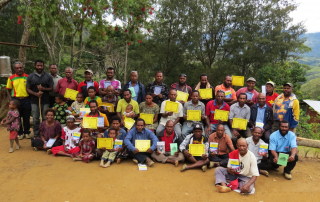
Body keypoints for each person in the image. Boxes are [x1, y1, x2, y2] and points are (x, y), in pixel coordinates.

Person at [26, 59, 54, 138]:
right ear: (35, 66)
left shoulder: (48, 76)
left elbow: (51, 88)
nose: (39, 67)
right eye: (38, 65)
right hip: (34, 101)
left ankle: (45, 134)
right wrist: (35, 94)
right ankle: (36, 135)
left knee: (45, 118)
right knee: (35, 119)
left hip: (45, 101)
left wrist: (43, 89)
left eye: (41, 65)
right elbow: (28, 89)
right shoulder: (31, 76)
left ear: (43, 66)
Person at [6, 61, 32, 140]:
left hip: (26, 99)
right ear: (14, 69)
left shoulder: (28, 77)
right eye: (17, 68)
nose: (19, 69)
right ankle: (20, 132)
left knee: (26, 117)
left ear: (23, 68)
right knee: (17, 117)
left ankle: (27, 132)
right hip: (16, 100)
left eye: (21, 67)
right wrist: (11, 100)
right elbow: (8, 90)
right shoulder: (11, 78)